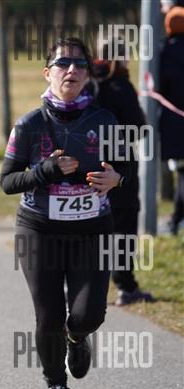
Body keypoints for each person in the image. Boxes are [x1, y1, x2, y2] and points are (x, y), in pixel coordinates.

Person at [0, 38, 129, 389]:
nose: (71, 70)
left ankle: (77, 336)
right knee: (49, 314)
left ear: (88, 75)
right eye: (62, 63)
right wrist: (45, 171)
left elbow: (127, 167)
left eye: (79, 64)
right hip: (38, 230)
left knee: (89, 314)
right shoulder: (29, 125)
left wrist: (117, 179)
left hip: (92, 229)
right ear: (47, 73)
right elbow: (7, 182)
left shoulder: (105, 121)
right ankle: (56, 386)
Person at [90, 43, 155, 306]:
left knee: (92, 227)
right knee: (124, 227)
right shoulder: (120, 86)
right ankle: (126, 286)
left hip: (90, 166)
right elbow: (138, 127)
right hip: (120, 168)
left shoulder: (87, 84)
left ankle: (88, 286)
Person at [160, 5, 184, 234]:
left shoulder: (164, 51)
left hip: (173, 122)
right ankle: (176, 219)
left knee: (181, 172)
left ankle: (176, 220)